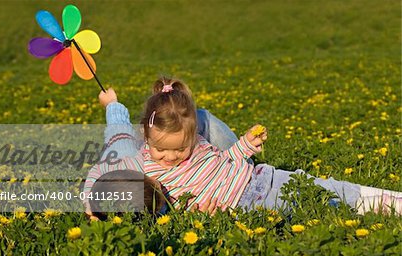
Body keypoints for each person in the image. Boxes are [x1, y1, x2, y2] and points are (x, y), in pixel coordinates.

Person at [84, 77, 401, 216]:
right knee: (318, 208)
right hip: (242, 209)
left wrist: (246, 145)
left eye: (178, 150)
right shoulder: (143, 167)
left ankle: (391, 203)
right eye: (161, 150)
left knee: (330, 192)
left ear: (194, 138)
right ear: (146, 137)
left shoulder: (198, 145)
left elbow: (225, 160)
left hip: (264, 182)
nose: (169, 158)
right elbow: (113, 153)